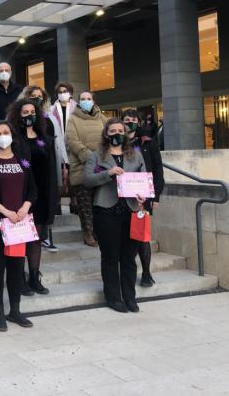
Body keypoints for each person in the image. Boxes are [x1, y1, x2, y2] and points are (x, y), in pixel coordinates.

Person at [0, 120, 36, 331]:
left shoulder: (23, 161)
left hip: (19, 224)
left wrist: (25, 208)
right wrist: (6, 211)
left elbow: (32, 190)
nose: (3, 136)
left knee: (17, 267)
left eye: (6, 132)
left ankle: (15, 311)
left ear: (12, 135)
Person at [84, 118, 147, 313]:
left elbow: (144, 179)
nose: (116, 133)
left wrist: (144, 195)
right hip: (105, 210)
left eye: (120, 130)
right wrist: (108, 173)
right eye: (113, 131)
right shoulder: (96, 156)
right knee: (110, 256)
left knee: (129, 257)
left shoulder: (135, 156)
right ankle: (113, 297)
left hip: (131, 210)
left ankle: (130, 297)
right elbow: (87, 180)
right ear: (106, 134)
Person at [7, 98, 56, 295]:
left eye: (32, 112)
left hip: (42, 195)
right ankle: (20, 279)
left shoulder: (43, 137)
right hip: (21, 195)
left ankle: (35, 277)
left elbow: (50, 166)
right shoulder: (13, 137)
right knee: (21, 239)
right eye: (25, 112)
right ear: (18, 114)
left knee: (35, 239)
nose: (29, 115)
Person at [21, 85, 66, 250]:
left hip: (47, 166)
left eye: (40, 96)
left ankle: (44, 235)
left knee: (46, 201)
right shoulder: (18, 118)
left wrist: (63, 163)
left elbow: (58, 142)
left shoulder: (50, 118)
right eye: (33, 96)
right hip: (27, 170)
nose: (37, 99)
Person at [123, 109, 165, 287]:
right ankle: (127, 271)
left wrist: (155, 196)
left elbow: (157, 170)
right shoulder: (117, 142)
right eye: (127, 119)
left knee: (142, 236)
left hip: (143, 195)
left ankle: (147, 272)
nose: (130, 122)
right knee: (125, 234)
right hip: (123, 195)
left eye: (133, 120)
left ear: (138, 123)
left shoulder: (148, 142)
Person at [65, 91, 107, 247]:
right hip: (81, 167)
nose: (86, 101)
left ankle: (99, 231)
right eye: (83, 99)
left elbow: (108, 136)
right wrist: (89, 157)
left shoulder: (102, 118)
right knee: (85, 204)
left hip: (102, 166)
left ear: (94, 101)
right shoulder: (73, 119)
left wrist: (103, 157)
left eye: (88, 99)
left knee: (100, 202)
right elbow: (72, 141)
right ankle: (88, 232)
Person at [49, 82, 78, 215]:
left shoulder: (77, 108)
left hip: (73, 146)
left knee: (73, 174)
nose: (62, 93)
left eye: (65, 91)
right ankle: (58, 203)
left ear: (70, 92)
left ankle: (74, 202)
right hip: (58, 145)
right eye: (60, 92)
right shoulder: (52, 109)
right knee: (60, 174)